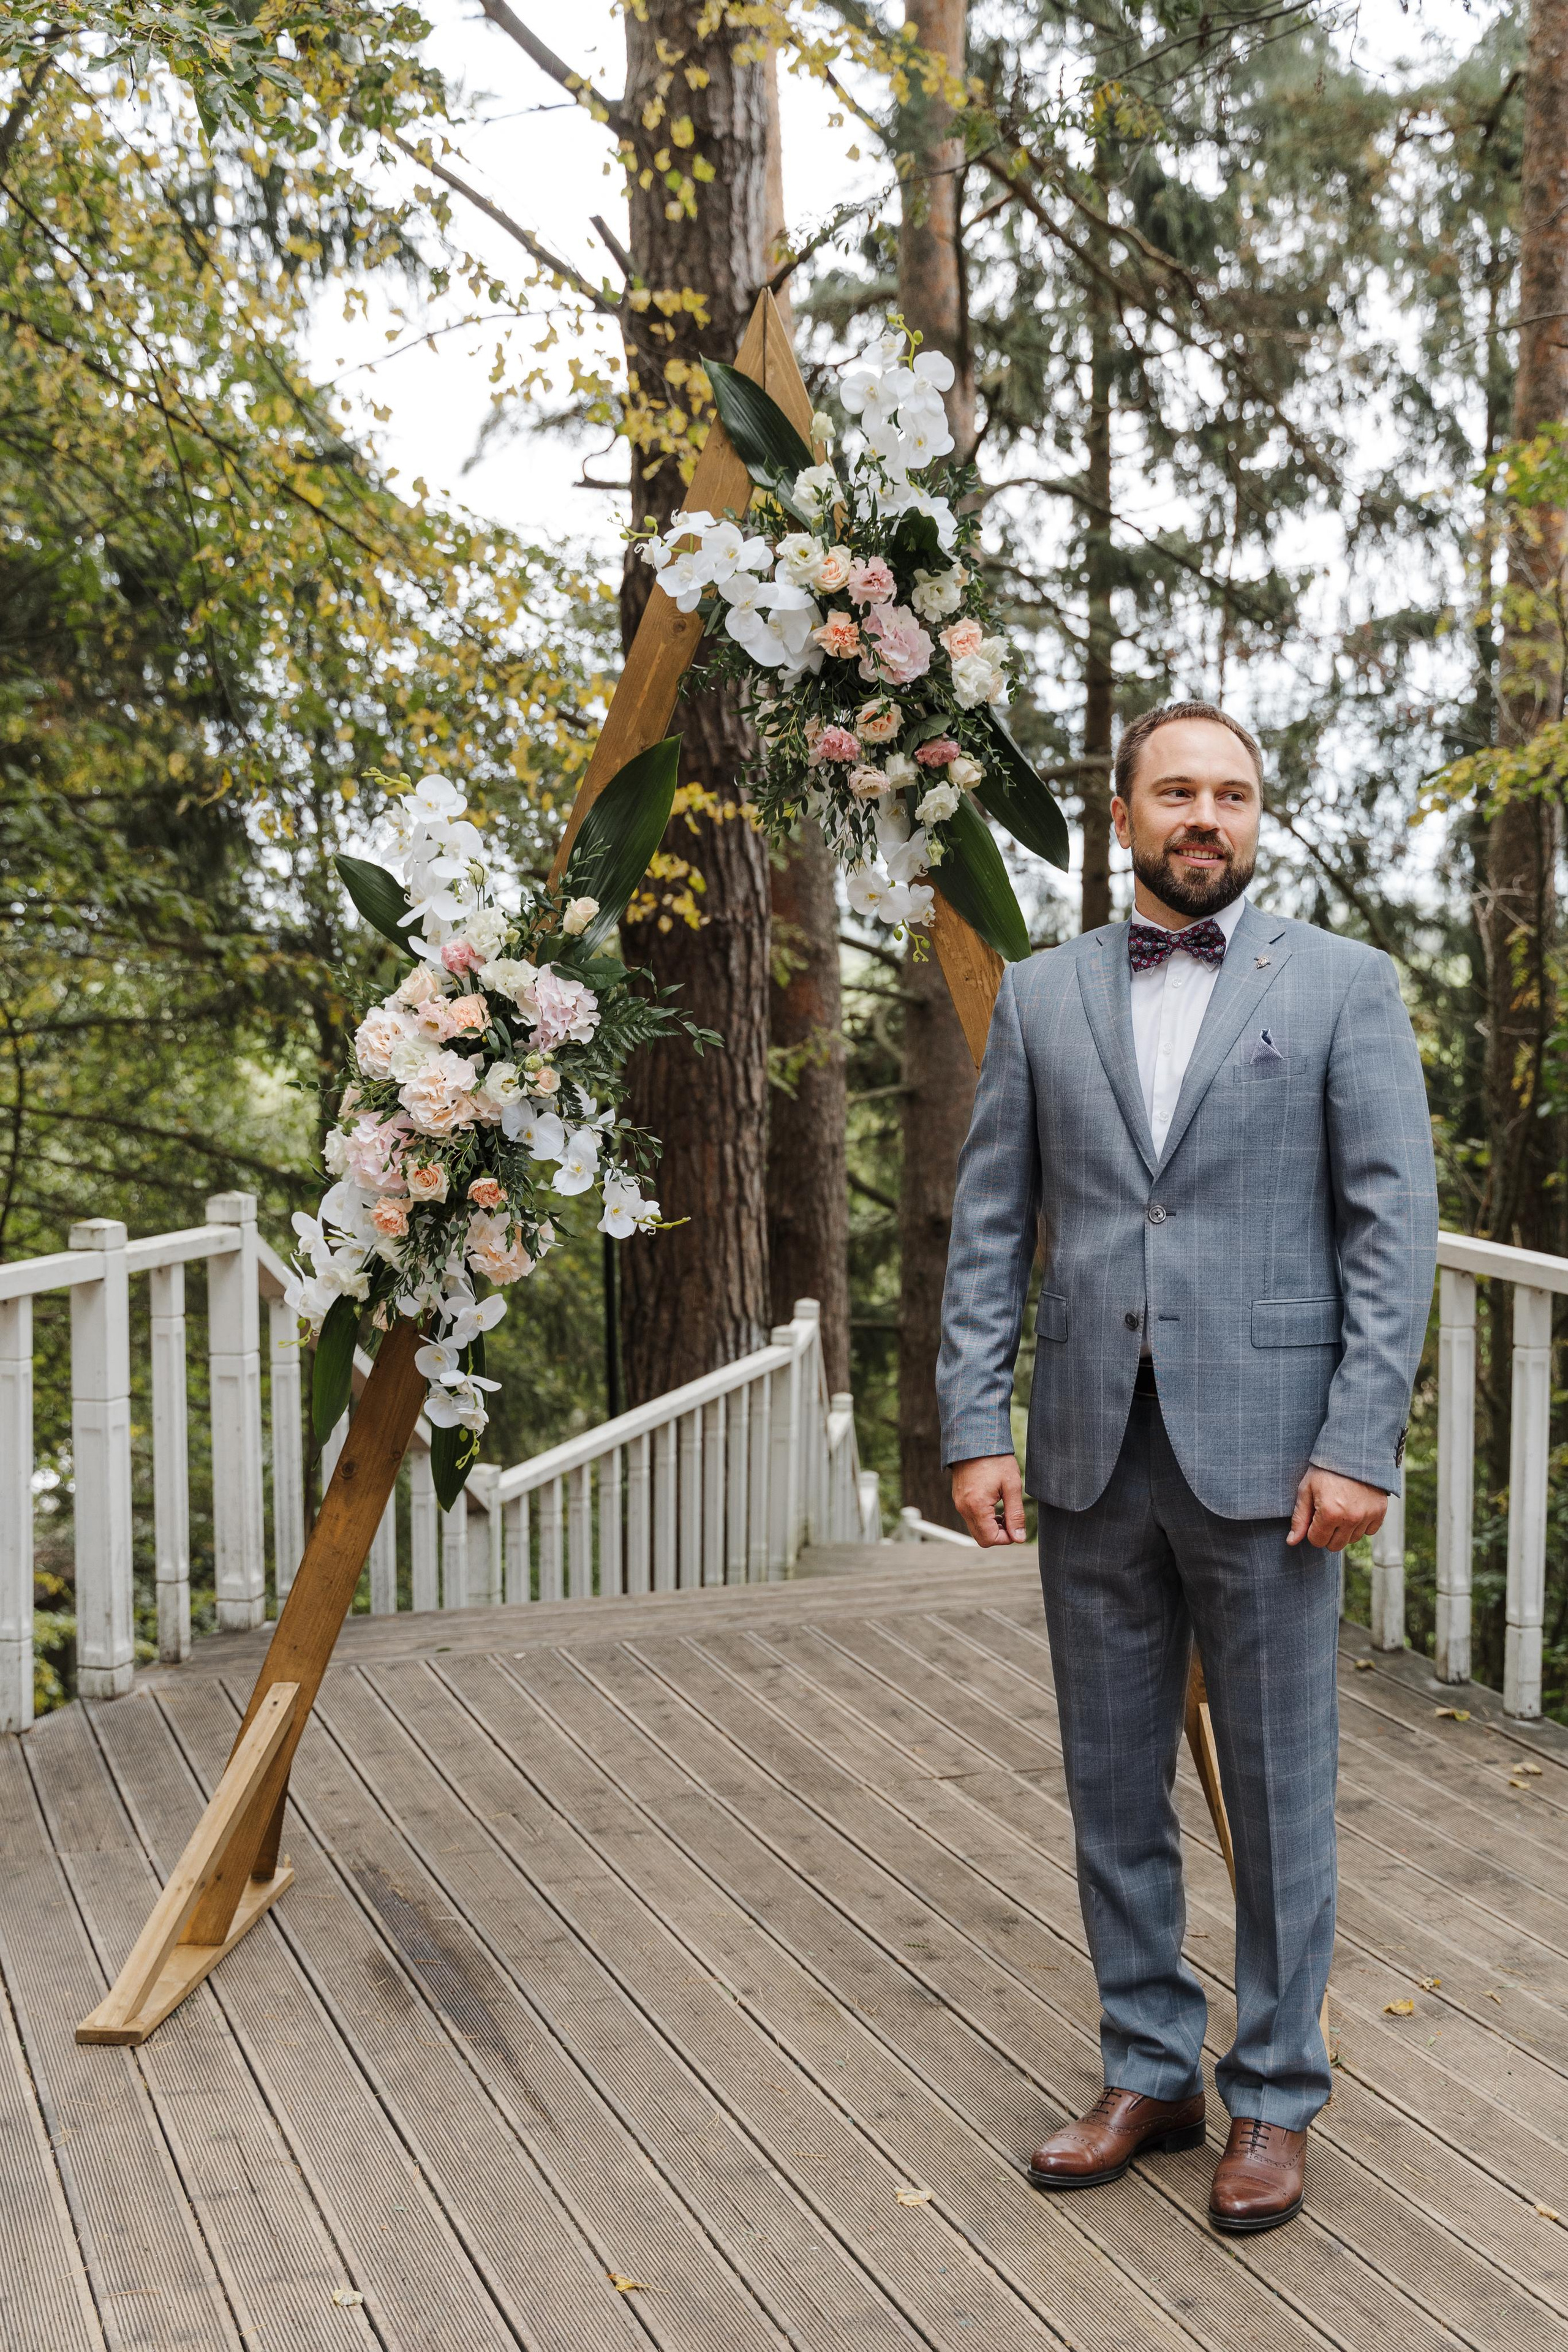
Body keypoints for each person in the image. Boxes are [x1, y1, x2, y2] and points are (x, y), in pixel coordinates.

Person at [937, 701, 1437, 2234]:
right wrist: (973, 1423)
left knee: (1284, 1792)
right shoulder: (1037, 997)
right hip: (1090, 1450)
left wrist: (1358, 1440)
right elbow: (989, 1231)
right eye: (1173, 791)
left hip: (1277, 1460)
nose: (1200, 815)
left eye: (1227, 793)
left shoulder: (1343, 988)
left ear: (1253, 815)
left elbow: (1386, 1232)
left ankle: (1274, 2092)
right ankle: (1147, 2064)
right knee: (1110, 1785)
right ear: (1121, 812)